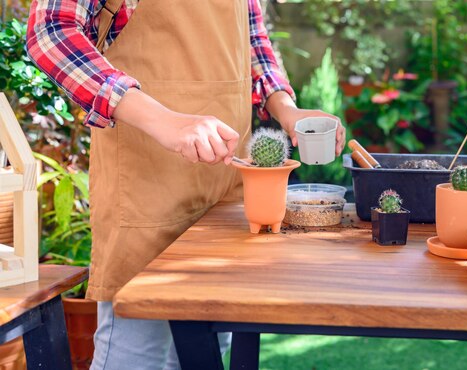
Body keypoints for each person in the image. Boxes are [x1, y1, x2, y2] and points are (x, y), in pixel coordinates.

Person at [26, 0, 346, 368]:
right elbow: (50, 32)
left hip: (225, 184)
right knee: (139, 354)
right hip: (146, 181)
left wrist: (287, 108)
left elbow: (253, 39)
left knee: (206, 348)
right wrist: (163, 119)